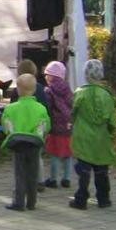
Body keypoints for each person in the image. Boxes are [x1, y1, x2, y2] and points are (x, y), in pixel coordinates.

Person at [69, 59, 116, 210]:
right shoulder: (107, 96)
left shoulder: (80, 92)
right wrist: (110, 131)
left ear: (86, 74)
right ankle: (104, 199)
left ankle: (81, 199)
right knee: (102, 171)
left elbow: (74, 112)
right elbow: (112, 120)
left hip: (83, 136)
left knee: (83, 171)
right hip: (101, 138)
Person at [0, 74, 50, 211]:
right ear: (34, 90)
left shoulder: (10, 108)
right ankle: (32, 202)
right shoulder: (41, 108)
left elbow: (6, 125)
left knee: (20, 173)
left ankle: (19, 202)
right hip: (34, 143)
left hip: (18, 143)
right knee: (33, 173)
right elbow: (46, 125)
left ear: (17, 90)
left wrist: (10, 134)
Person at [41, 61, 73, 189]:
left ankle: (53, 179)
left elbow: (48, 107)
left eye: (47, 75)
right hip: (68, 125)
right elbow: (72, 103)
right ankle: (67, 178)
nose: (45, 77)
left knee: (54, 153)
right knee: (67, 153)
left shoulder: (49, 90)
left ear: (52, 76)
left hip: (55, 126)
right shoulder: (67, 88)